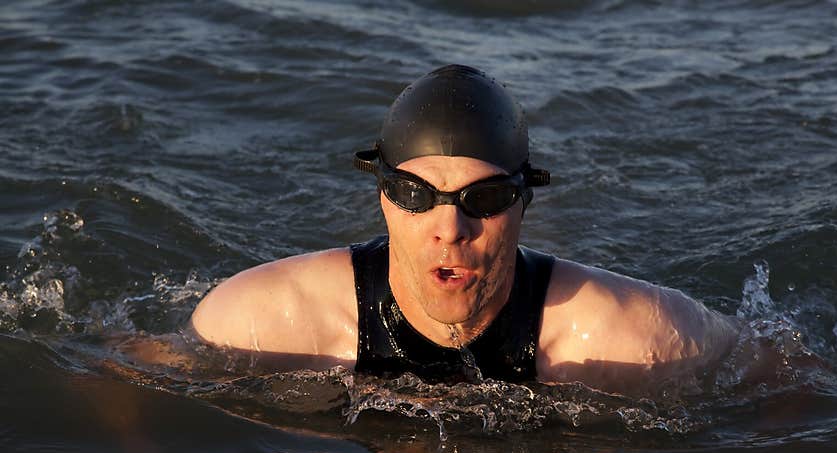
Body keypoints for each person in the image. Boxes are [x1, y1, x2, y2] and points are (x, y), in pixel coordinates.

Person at [190, 64, 740, 394]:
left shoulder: (631, 336)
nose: (449, 229)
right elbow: (139, 375)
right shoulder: (259, 319)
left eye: (485, 199)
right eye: (415, 196)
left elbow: (776, 371)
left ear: (523, 203)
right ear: (381, 196)